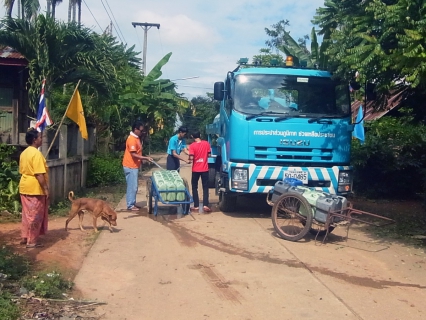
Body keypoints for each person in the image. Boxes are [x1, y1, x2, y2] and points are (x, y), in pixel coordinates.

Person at [19, 128, 49, 248]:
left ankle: (25, 237)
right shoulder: (36, 154)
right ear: (34, 140)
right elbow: (39, 174)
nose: (42, 139)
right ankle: (31, 241)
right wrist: (46, 189)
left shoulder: (24, 153)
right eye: (40, 137)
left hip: (24, 186)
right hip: (34, 189)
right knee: (35, 215)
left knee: (26, 214)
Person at [122, 121, 153, 211]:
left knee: (133, 186)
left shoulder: (137, 138)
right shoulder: (131, 139)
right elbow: (133, 154)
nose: (142, 132)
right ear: (135, 129)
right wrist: (145, 158)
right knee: (132, 186)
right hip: (130, 165)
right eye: (141, 130)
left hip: (134, 165)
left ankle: (132, 202)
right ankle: (130, 205)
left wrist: (141, 160)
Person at [188, 130, 212, 213]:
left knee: (194, 187)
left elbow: (191, 158)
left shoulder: (192, 146)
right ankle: (205, 205)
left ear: (192, 136)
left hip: (195, 169)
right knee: (205, 187)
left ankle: (196, 206)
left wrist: (188, 156)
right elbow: (209, 155)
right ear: (200, 135)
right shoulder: (206, 143)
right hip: (205, 169)